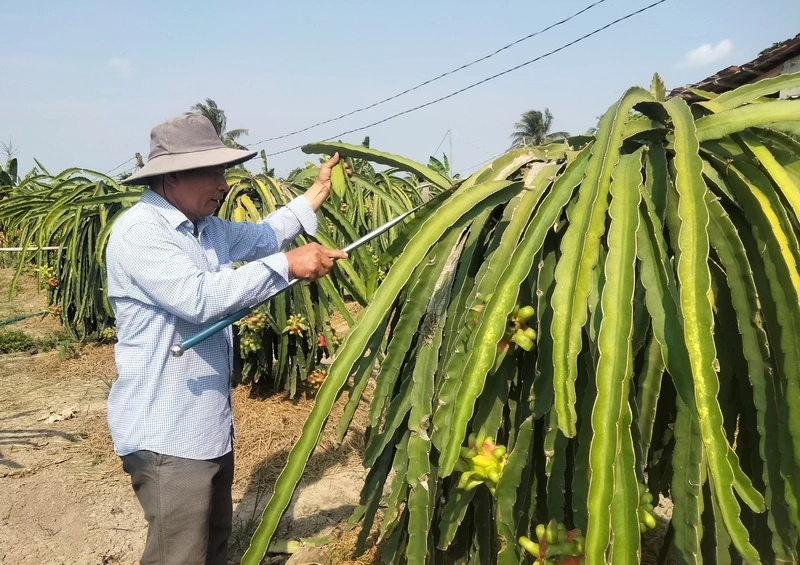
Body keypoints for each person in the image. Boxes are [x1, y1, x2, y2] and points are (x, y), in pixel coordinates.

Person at [105, 113, 347, 564]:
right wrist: (287, 265)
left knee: (212, 545)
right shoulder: (141, 232)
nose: (223, 184)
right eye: (213, 172)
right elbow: (197, 298)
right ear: (172, 176)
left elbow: (265, 236)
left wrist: (316, 192)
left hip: (206, 425)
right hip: (167, 433)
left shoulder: (206, 229)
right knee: (179, 555)